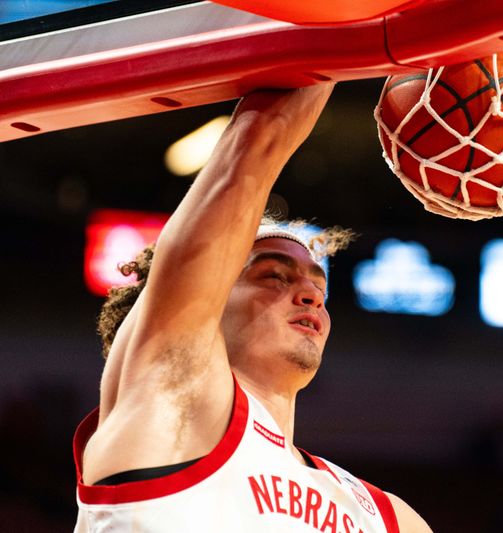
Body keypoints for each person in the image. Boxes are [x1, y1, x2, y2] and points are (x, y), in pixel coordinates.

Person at [72, 85, 433, 532]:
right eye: (274, 276)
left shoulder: (382, 515)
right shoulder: (167, 406)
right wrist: (346, 31)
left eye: (317, 285)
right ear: (205, 298)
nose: (311, 295)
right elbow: (255, 146)